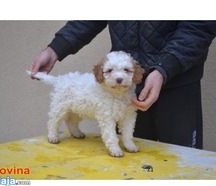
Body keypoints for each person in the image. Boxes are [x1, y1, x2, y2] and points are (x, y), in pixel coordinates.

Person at [29, 21, 216, 149]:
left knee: (182, 163)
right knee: (131, 163)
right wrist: (55, 49)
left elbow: (198, 27)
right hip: (124, 91)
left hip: (178, 83)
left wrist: (164, 68)